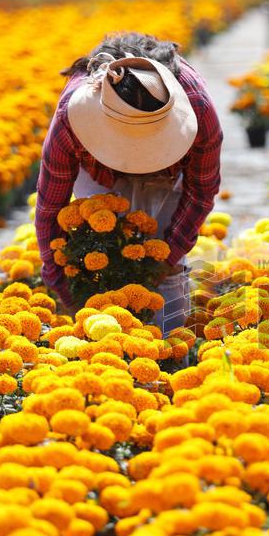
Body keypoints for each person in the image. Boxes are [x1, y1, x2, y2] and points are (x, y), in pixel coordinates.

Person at [35, 31, 223, 333]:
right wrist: (65, 285)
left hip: (168, 175)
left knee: (166, 267)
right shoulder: (73, 118)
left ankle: (172, 357)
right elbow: (49, 207)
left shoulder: (197, 110)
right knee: (91, 258)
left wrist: (165, 260)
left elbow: (200, 192)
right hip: (97, 170)